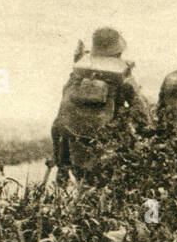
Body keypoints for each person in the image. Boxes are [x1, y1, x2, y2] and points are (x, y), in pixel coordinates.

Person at [51, 27, 150, 178]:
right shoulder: (121, 74)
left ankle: (63, 169)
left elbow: (63, 109)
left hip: (75, 143)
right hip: (107, 143)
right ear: (118, 50)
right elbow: (140, 112)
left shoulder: (79, 72)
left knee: (84, 189)